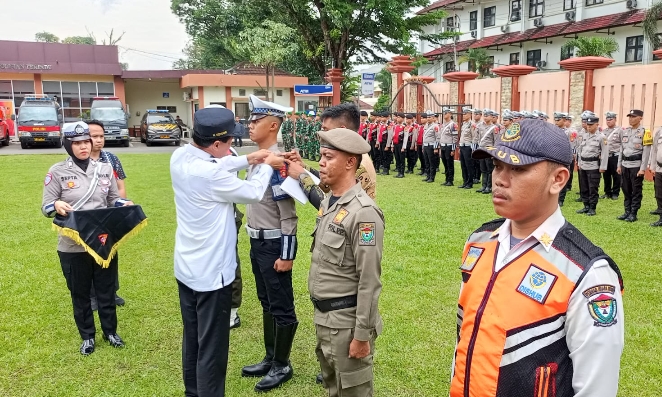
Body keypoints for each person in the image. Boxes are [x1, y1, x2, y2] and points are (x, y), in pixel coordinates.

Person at [451, 118, 625, 396]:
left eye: (518, 169)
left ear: (558, 179)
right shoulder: (480, 242)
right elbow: (466, 338)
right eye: (497, 166)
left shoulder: (586, 272)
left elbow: (596, 388)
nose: (500, 179)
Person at [171, 107, 280, 397]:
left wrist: (249, 158)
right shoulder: (211, 177)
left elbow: (217, 165)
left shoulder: (180, 156)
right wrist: (268, 160)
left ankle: (192, 392)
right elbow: (254, 191)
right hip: (212, 275)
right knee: (212, 348)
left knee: (192, 338)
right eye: (231, 142)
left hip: (187, 267)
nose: (234, 146)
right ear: (217, 144)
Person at [42, 121, 133, 355]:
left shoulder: (103, 168)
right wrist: (56, 204)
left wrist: (123, 204)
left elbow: (113, 198)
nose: (83, 146)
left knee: (106, 290)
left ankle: (111, 332)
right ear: (68, 145)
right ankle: (88, 337)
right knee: (80, 293)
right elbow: (45, 207)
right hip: (73, 245)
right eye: (77, 143)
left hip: (103, 243)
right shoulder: (57, 172)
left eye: (86, 141)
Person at [310, 127, 384, 397]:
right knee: (334, 388)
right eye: (321, 156)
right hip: (326, 319)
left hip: (346, 323)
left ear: (350, 162)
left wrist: (362, 334)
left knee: (353, 391)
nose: (321, 162)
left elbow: (370, 279)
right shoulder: (330, 201)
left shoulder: (364, 213)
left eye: (328, 156)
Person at [242, 95, 299, 392]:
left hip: (274, 247)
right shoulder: (259, 158)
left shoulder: (278, 164)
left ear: (273, 125)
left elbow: (288, 215)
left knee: (281, 306)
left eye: (256, 121)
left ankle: (282, 364)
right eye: (250, 120)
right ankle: (270, 357)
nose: (250, 125)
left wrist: (287, 255)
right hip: (257, 243)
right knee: (267, 303)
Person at [87, 120, 127, 310]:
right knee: (90, 255)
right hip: (88, 217)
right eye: (94, 136)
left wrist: (120, 208)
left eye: (101, 136)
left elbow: (120, 186)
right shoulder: (80, 160)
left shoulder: (111, 159)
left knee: (110, 253)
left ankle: (112, 291)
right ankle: (93, 296)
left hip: (109, 214)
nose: (98, 140)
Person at [617, 109, 652, 222]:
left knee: (636, 190)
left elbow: (646, 152)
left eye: (633, 116)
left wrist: (642, 169)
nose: (631, 119)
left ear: (640, 118)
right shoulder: (625, 131)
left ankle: (633, 212)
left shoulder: (645, 132)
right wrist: (619, 165)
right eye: (630, 117)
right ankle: (627, 211)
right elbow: (621, 150)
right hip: (625, 164)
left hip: (636, 165)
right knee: (625, 188)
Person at [575, 116, 608, 216]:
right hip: (583, 165)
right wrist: (579, 163)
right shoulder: (584, 136)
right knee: (584, 187)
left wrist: (603, 167)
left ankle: (592, 208)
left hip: (593, 166)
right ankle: (586, 206)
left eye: (591, 125)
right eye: (587, 125)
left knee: (593, 188)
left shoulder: (601, 137)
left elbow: (605, 153)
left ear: (597, 125)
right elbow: (580, 151)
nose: (588, 127)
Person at [476, 109, 499, 194]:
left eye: (487, 116)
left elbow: (496, 141)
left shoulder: (494, 128)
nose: (485, 117)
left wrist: (494, 152)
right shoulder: (480, 126)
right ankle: (483, 185)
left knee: (490, 169)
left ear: (491, 117)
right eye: (484, 116)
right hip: (482, 149)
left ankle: (489, 186)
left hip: (489, 150)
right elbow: (478, 138)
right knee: (483, 169)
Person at [601, 112, 622, 200]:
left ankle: (615, 193)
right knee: (606, 175)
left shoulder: (620, 130)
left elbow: (622, 144)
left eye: (611, 119)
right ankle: (607, 192)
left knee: (616, 175)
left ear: (615, 120)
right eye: (607, 119)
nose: (608, 121)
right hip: (606, 156)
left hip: (615, 156)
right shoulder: (603, 131)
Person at [458, 107, 478, 189]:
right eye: (463, 113)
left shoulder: (472, 124)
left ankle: (470, 182)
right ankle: (465, 181)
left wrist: (473, 149)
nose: (463, 115)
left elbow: (474, 137)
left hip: (468, 147)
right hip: (462, 146)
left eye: (465, 114)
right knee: (463, 165)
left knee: (469, 165)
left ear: (470, 114)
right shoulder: (464, 124)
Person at [438, 108, 458, 186]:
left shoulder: (453, 124)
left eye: (446, 113)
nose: (444, 114)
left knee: (450, 164)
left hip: (449, 146)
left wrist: (453, 149)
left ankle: (450, 180)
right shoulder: (443, 125)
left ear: (450, 114)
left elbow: (455, 138)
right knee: (445, 163)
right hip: (443, 146)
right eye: (444, 113)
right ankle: (447, 179)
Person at [421, 110, 440, 183]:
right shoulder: (426, 125)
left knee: (432, 162)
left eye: (430, 117)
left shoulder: (435, 126)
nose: (428, 118)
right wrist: (423, 146)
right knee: (427, 162)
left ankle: (432, 177)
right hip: (425, 146)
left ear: (433, 118)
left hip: (431, 146)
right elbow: (424, 137)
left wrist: (435, 148)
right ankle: (428, 176)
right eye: (427, 117)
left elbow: (437, 137)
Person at [649, 125, 662, 226]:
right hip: (659, 168)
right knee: (659, 192)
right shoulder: (659, 131)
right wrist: (652, 166)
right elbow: (654, 150)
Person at [391, 113, 406, 178]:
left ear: (403, 119)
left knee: (401, 159)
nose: (398, 119)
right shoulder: (395, 126)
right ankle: (399, 171)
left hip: (401, 144)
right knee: (397, 158)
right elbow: (393, 136)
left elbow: (405, 137)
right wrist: (392, 145)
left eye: (399, 117)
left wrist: (404, 147)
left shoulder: (404, 126)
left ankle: (402, 173)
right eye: (397, 117)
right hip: (395, 144)